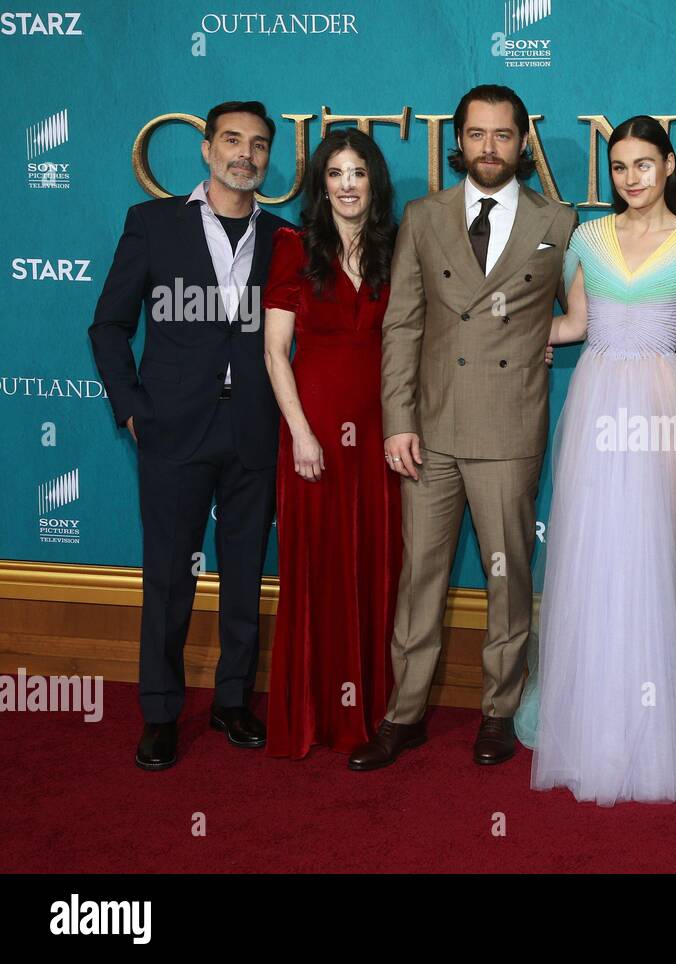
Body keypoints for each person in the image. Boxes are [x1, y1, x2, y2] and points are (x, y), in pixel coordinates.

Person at [347, 84, 577, 770]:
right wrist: (396, 420)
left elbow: (590, 312)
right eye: (477, 134)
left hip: (508, 426)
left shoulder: (558, 221)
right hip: (431, 429)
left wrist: (546, 333)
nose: (489, 147)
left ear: (522, 143)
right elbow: (403, 325)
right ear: (459, 142)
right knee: (421, 575)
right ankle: (404, 713)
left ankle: (500, 711)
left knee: (507, 577)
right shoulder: (425, 216)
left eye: (503, 135)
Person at [518, 116, 676, 805]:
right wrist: (505, 333)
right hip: (598, 398)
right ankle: (590, 726)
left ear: (669, 166)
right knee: (595, 557)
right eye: (619, 166)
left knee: (656, 555)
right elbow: (575, 323)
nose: (630, 178)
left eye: (643, 164)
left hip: (666, 401)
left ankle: (655, 727)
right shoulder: (587, 237)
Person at [89, 101, 292, 769]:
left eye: (259, 145)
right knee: (169, 579)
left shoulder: (286, 239)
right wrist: (132, 410)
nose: (246, 155)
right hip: (172, 429)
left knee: (243, 578)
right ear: (207, 149)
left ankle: (234, 701)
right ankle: (161, 711)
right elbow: (108, 326)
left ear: (269, 157)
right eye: (233, 141)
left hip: (254, 430)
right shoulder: (153, 226)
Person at [262, 129, 401, 759]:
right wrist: (300, 433)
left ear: (374, 182)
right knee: (318, 564)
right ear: (322, 183)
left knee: (374, 561)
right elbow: (274, 352)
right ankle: (313, 711)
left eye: (358, 173)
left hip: (381, 431)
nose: (347, 185)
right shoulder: (294, 247)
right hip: (314, 429)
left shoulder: (396, 249)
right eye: (336, 174)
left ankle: (371, 711)